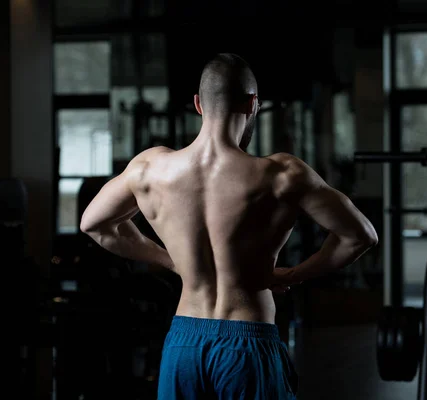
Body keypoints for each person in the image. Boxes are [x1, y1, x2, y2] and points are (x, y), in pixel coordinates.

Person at [80, 53, 378, 399]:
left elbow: (96, 225)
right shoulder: (282, 175)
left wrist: (172, 261)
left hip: (183, 345)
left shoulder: (150, 168)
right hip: (247, 341)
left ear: (198, 104)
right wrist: (292, 274)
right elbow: (360, 236)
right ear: (253, 104)